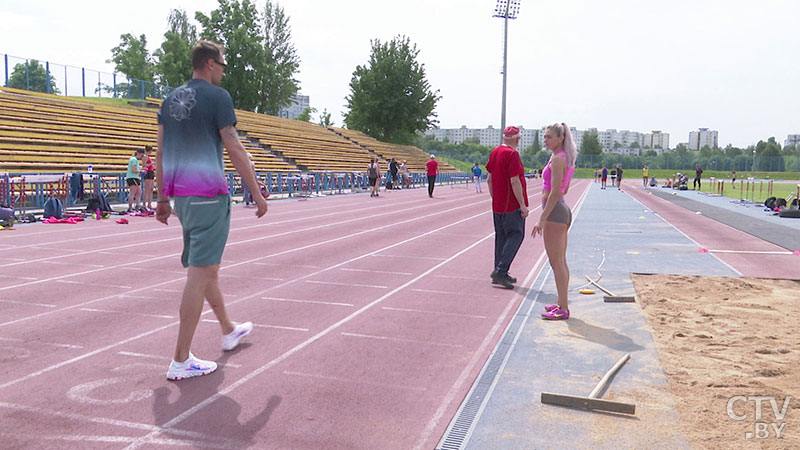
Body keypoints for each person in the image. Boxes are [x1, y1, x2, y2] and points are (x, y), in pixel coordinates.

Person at [155, 40, 268, 381]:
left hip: (183, 198)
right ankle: (180, 359)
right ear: (208, 63)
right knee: (200, 273)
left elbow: (160, 151)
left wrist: (162, 198)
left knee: (207, 268)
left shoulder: (169, 100)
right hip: (207, 193)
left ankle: (228, 328)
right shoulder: (218, 97)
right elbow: (233, 144)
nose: (222, 70)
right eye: (221, 64)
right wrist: (256, 192)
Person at [532, 122, 576, 320]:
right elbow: (564, 188)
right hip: (560, 209)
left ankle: (564, 308)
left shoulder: (558, 160)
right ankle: (561, 303)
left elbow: (556, 191)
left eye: (549, 136)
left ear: (561, 138)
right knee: (560, 261)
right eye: (545, 136)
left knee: (556, 262)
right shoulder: (561, 157)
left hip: (555, 212)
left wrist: (541, 219)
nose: (545, 139)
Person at [486, 126, 529, 289]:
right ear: (516, 139)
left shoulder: (495, 152)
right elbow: (515, 180)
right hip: (511, 204)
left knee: (501, 237)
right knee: (516, 235)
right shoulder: (512, 155)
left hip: (498, 204)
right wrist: (522, 205)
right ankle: (501, 270)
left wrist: (494, 197)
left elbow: (489, 179)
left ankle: (499, 270)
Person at [140, 145, 156, 211]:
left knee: (151, 189)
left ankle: (149, 204)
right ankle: (144, 204)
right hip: (148, 172)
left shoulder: (148, 157)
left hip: (151, 172)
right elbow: (144, 165)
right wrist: (151, 164)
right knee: (147, 189)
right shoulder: (145, 157)